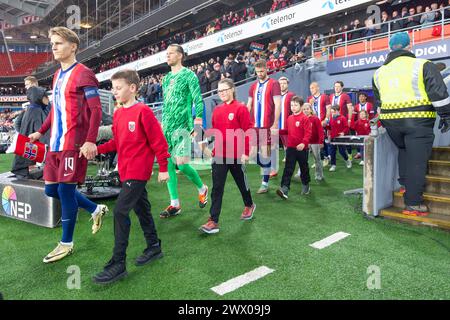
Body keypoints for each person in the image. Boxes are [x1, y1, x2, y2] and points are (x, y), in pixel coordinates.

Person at [28, 27, 108, 263]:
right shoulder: (56, 75)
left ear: (73, 46)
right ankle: (95, 209)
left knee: (64, 190)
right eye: (52, 43)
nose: (53, 47)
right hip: (55, 144)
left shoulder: (84, 73)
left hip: (74, 144)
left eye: (59, 43)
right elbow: (55, 109)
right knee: (51, 190)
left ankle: (66, 243)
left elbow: (95, 110)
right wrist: (40, 132)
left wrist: (90, 140)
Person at [91, 70, 170, 284]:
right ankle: (154, 247)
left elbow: (159, 142)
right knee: (142, 209)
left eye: (118, 88)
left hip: (138, 172)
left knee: (119, 212)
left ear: (132, 88)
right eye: (113, 88)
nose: (114, 92)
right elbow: (117, 142)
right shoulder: (118, 113)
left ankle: (118, 264)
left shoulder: (143, 111)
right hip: (125, 170)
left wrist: (163, 167)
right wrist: (97, 150)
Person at [373, 32, 450, 216]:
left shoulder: (379, 72)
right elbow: (439, 94)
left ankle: (405, 186)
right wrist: (446, 116)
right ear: (410, 46)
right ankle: (413, 203)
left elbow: (379, 100)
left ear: (390, 48)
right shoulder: (423, 65)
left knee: (404, 151)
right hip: (418, 121)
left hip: (391, 123)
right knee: (417, 161)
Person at [199, 79, 256, 234]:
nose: (222, 93)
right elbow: (215, 131)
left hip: (237, 154)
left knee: (241, 184)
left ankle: (249, 204)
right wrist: (206, 142)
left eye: (225, 90)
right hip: (219, 155)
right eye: (219, 91)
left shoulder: (241, 108)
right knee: (217, 188)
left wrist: (246, 152)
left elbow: (248, 131)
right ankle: (213, 220)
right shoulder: (217, 110)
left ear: (232, 89)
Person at [159, 44, 209, 218]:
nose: (168, 56)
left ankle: (202, 188)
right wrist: (162, 123)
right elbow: (166, 103)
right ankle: (175, 204)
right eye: (167, 54)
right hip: (167, 126)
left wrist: (197, 122)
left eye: (171, 53)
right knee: (168, 163)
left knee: (182, 163)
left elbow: (198, 99)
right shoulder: (165, 79)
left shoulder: (189, 75)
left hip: (183, 126)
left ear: (180, 55)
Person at [247, 59, 282, 194]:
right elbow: (249, 105)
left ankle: (265, 183)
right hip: (254, 125)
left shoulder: (274, 84)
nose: (260, 74)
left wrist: (274, 124)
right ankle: (269, 167)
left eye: (262, 71)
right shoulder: (253, 87)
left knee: (264, 154)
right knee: (251, 155)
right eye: (257, 72)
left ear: (266, 69)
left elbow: (278, 104)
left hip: (266, 126)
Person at [276, 96, 312, 199]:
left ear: (301, 106)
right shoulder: (289, 118)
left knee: (304, 168)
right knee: (288, 169)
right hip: (291, 148)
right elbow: (287, 131)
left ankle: (306, 185)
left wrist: (303, 143)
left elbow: (308, 133)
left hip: (302, 149)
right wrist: (278, 131)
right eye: (292, 105)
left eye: (295, 105)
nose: (293, 107)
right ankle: (284, 189)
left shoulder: (304, 118)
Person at [11, 87, 50, 179]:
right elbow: (44, 134)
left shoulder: (31, 109)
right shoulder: (37, 110)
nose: (47, 99)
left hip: (22, 162)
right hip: (33, 148)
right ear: (39, 97)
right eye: (45, 96)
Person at [270, 76, 295, 178]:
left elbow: (294, 110)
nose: (282, 85)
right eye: (280, 83)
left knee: (288, 148)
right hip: (275, 127)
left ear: (287, 84)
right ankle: (273, 170)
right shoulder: (274, 96)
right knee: (273, 148)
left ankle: (289, 170)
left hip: (286, 127)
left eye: (284, 83)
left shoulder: (291, 95)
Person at [308, 82, 331, 167]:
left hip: (322, 122)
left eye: (313, 88)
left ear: (318, 88)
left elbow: (328, 109)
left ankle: (325, 157)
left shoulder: (325, 97)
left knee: (321, 141)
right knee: (313, 142)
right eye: (310, 88)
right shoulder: (309, 98)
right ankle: (317, 160)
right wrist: (310, 103)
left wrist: (326, 120)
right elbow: (308, 111)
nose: (311, 90)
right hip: (312, 124)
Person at [302, 103, 324, 181]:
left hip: (315, 142)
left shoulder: (315, 119)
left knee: (317, 159)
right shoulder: (302, 119)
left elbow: (320, 131)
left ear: (311, 110)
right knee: (303, 159)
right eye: (304, 109)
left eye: (307, 109)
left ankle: (319, 175)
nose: (305, 111)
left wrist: (321, 141)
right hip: (305, 143)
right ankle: (302, 175)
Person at [327, 105, 352, 172]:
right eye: (332, 112)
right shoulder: (331, 118)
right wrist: (327, 129)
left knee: (342, 151)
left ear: (338, 111)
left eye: (333, 112)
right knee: (332, 152)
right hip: (332, 137)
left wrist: (343, 133)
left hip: (340, 138)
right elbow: (329, 127)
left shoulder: (342, 118)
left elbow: (346, 127)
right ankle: (333, 165)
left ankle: (347, 160)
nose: (332, 113)